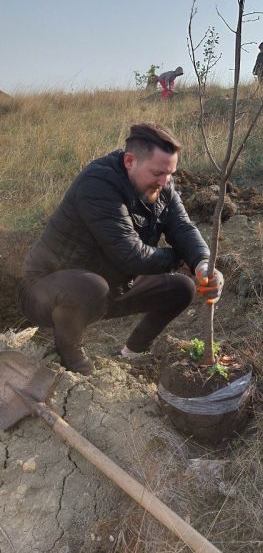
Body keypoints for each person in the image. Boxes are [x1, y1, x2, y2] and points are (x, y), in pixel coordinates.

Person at [18, 122, 224, 375]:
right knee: (90, 287)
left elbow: (182, 226)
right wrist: (179, 258)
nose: (165, 181)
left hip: (109, 288)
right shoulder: (97, 184)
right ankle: (70, 357)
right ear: (129, 161)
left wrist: (202, 262)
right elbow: (131, 256)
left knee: (182, 288)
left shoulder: (161, 186)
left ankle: (133, 351)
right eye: (158, 173)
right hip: (46, 293)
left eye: (170, 173)